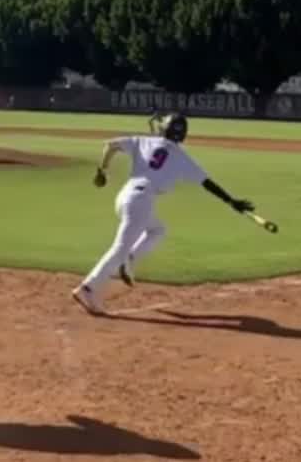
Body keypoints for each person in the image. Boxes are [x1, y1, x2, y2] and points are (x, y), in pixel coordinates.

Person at [73, 112, 254, 315]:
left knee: (157, 230)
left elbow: (110, 145)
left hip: (126, 196)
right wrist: (232, 202)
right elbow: (208, 184)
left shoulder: (143, 141)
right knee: (119, 248)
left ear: (163, 129)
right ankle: (88, 288)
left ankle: (130, 260)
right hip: (140, 201)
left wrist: (102, 171)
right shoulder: (182, 157)